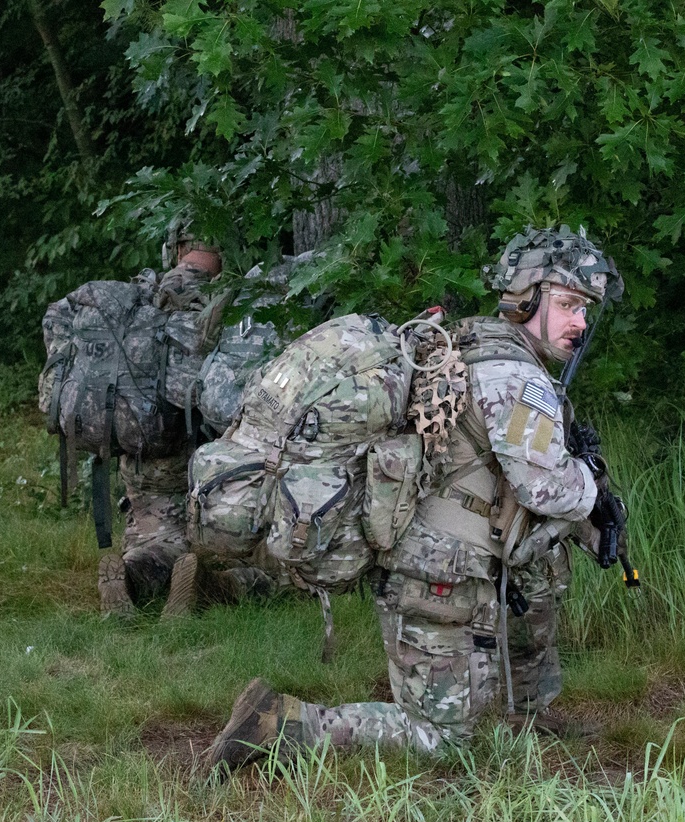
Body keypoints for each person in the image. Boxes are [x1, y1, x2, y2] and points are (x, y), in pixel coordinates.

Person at [206, 224, 624, 770]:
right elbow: (546, 487)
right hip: (437, 576)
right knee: (439, 740)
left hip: (436, 562)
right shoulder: (516, 378)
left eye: (585, 309)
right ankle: (280, 724)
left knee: (541, 569)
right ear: (526, 300)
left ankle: (529, 716)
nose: (581, 322)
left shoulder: (472, 341)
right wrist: (591, 486)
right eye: (569, 304)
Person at [97, 226, 224, 618]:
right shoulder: (233, 299)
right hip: (219, 458)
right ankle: (214, 584)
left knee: (156, 541)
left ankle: (133, 577)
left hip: (148, 451)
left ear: (178, 247)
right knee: (244, 553)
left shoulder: (142, 297)